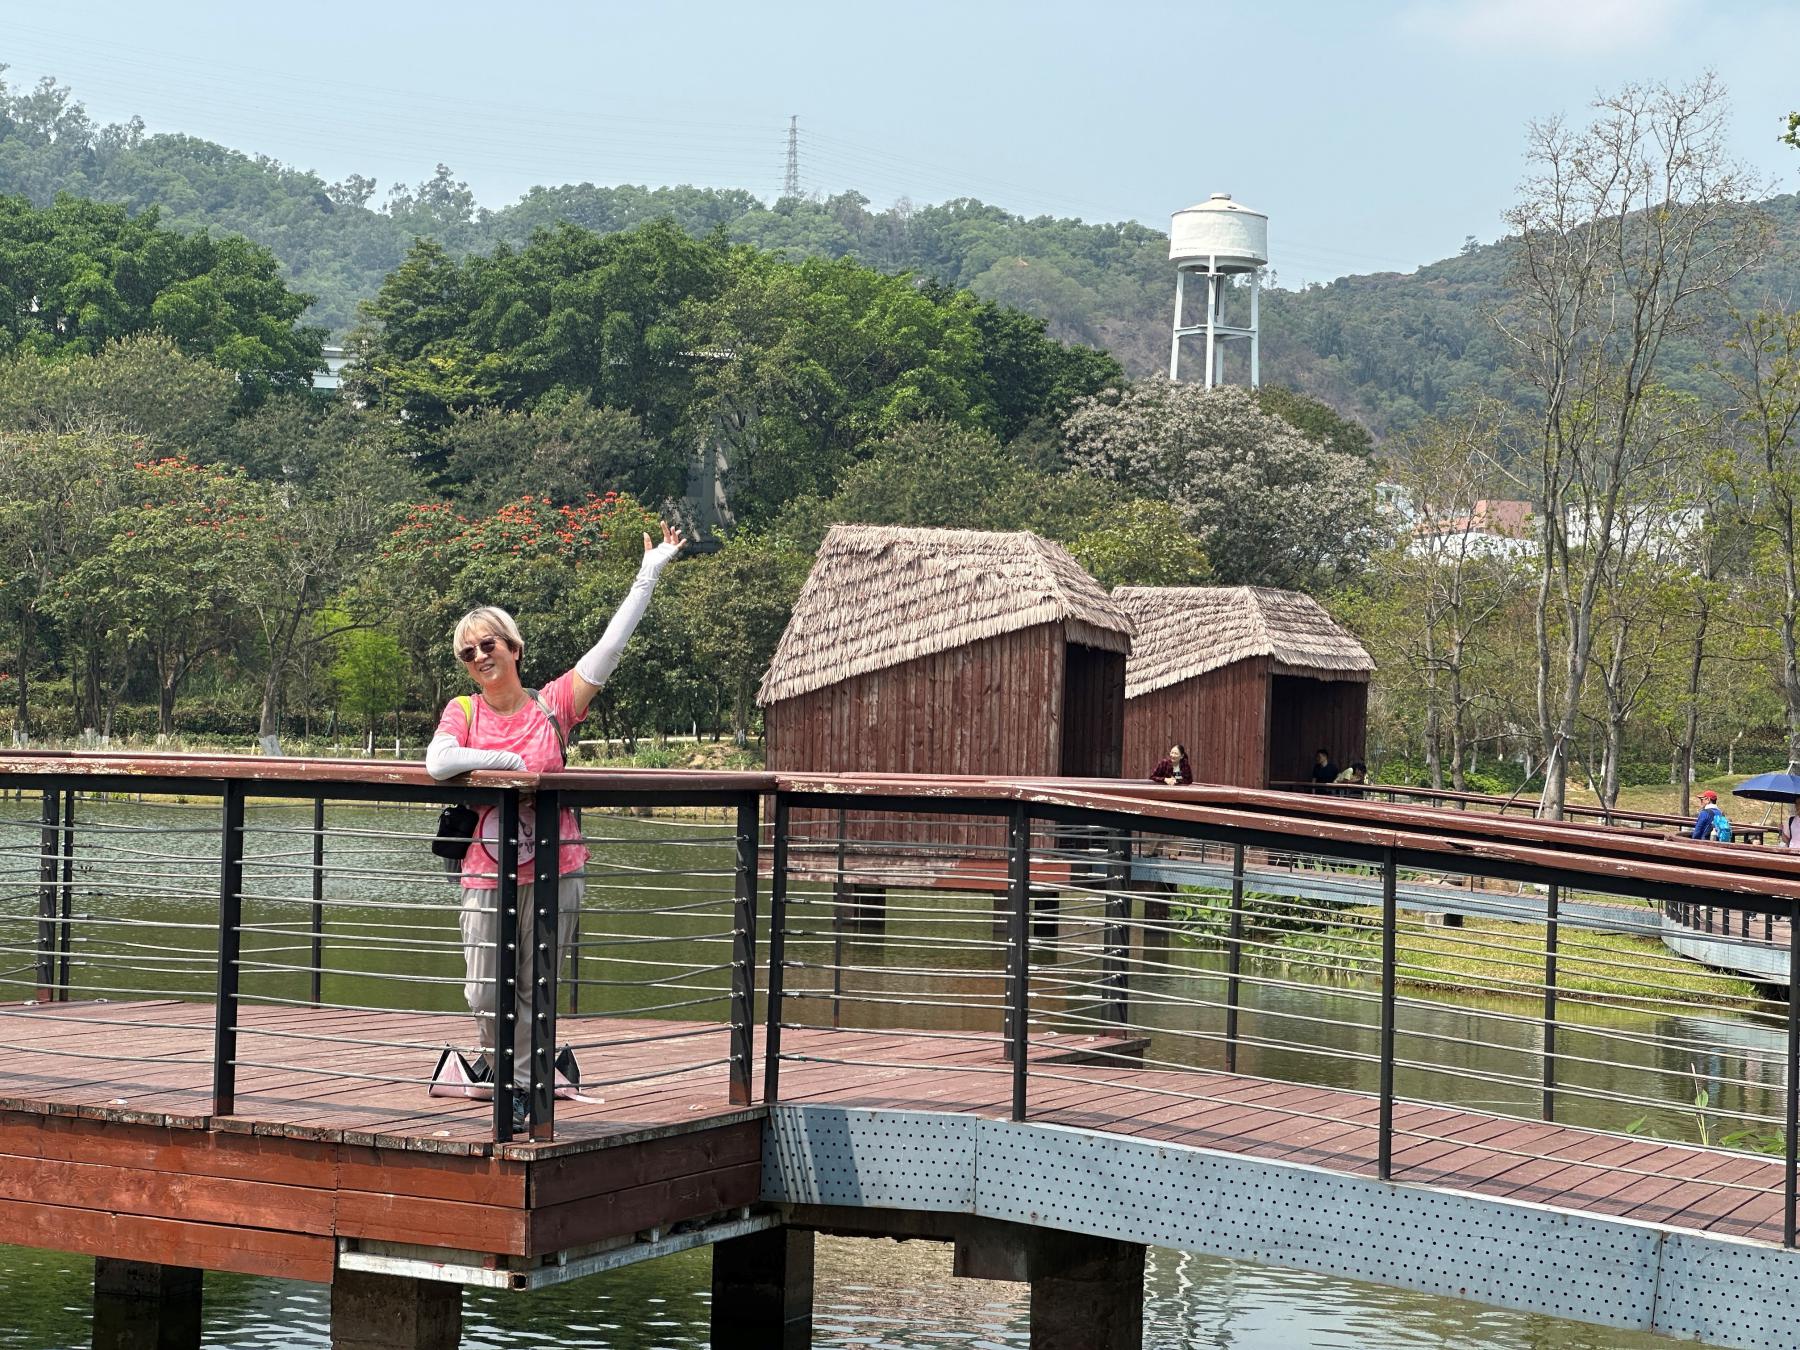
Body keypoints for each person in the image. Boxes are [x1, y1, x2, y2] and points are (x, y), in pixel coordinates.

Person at [426, 521, 685, 1129]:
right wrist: (510, 764)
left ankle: (518, 1090)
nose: (480, 656)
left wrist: (648, 573)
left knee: (534, 985)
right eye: (468, 652)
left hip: (557, 867)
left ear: (513, 647)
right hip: (485, 872)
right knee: (485, 990)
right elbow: (439, 762)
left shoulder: (553, 705)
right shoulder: (463, 711)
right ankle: (508, 1071)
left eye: (489, 644)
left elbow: (610, 649)